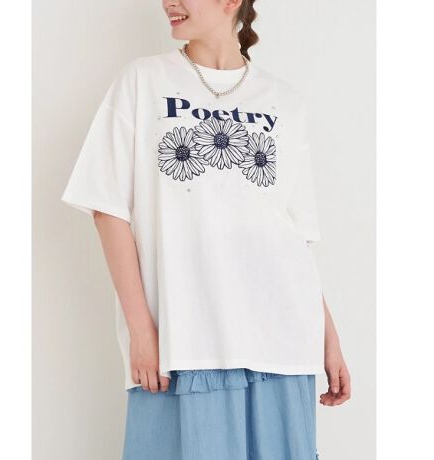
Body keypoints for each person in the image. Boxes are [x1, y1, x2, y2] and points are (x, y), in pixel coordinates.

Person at [61, 1, 351, 459]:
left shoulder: (284, 100)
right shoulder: (143, 81)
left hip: (281, 343)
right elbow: (108, 208)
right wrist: (141, 331)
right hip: (185, 340)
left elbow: (292, 235)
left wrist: (328, 340)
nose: (169, 3)